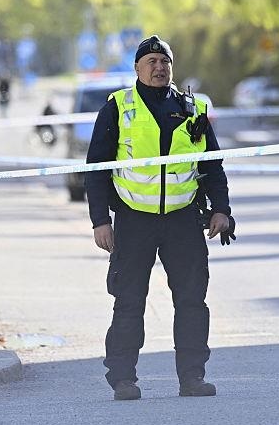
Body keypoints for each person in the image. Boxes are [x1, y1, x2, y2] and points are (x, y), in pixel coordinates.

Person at [85, 35, 236, 401]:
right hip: (134, 219)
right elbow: (96, 168)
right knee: (129, 299)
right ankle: (124, 379)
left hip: (183, 219)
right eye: (150, 61)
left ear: (172, 67)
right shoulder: (119, 107)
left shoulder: (192, 108)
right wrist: (99, 220)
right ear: (137, 68)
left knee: (191, 300)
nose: (158, 67)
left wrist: (221, 210)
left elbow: (212, 165)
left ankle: (192, 378)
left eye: (164, 61)